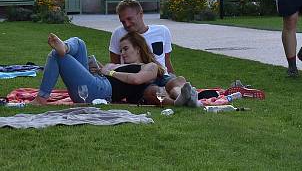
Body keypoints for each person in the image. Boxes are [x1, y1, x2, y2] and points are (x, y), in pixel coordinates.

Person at [33, 32, 198, 107]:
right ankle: (66, 46)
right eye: (121, 50)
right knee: (80, 42)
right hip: (95, 84)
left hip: (101, 91)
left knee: (57, 56)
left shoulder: (150, 66)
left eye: (126, 49)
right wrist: (96, 69)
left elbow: (136, 80)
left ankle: (41, 99)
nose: (122, 53)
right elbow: (106, 74)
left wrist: (109, 71)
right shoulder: (115, 66)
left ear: (138, 49)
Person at [109, 0, 192, 106]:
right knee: (153, 91)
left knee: (178, 81)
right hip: (140, 78)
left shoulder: (162, 31)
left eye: (129, 19)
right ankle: (178, 103)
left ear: (141, 14)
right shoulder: (119, 33)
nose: (127, 24)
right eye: (123, 21)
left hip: (162, 75)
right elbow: (115, 63)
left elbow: (166, 61)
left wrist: (172, 76)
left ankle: (182, 96)